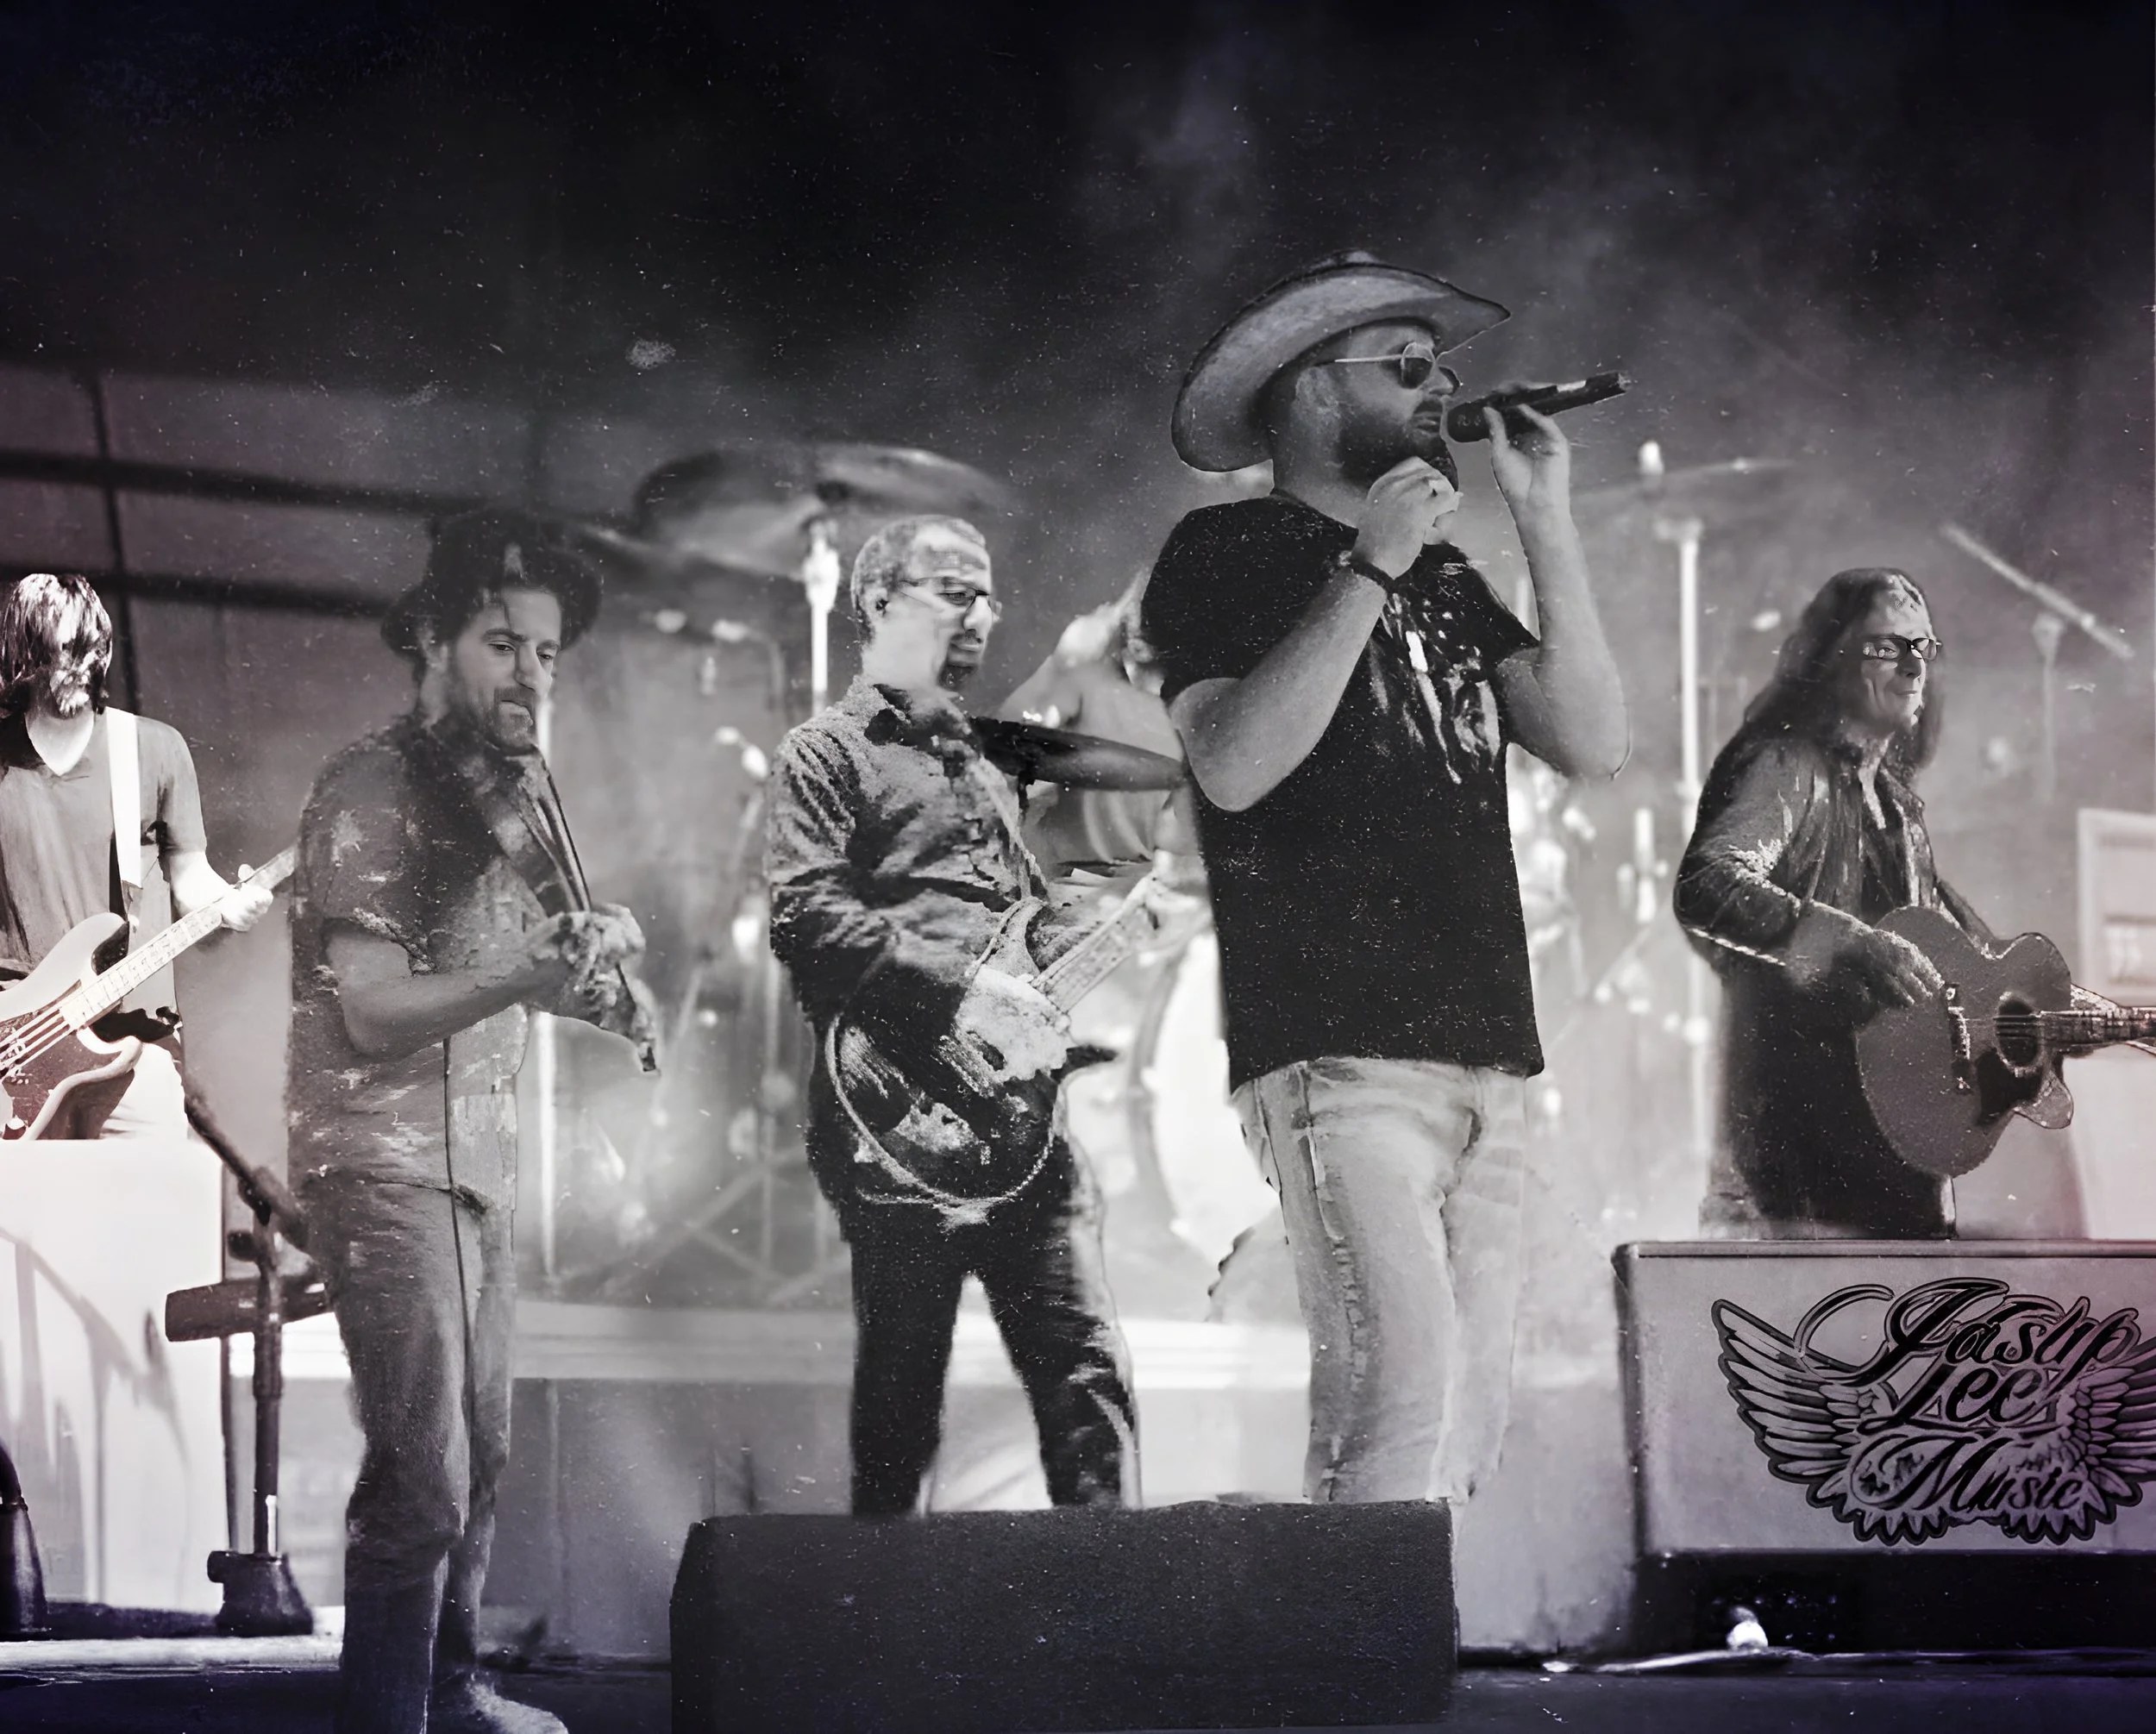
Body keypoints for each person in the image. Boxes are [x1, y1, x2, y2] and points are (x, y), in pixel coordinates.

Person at [1140, 252, 1627, 1507]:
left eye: (1441, 370)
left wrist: (1544, 518)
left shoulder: (1454, 577)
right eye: (1407, 368)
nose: (1439, 392)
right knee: (1394, 1401)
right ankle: (1352, 1689)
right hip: (1340, 1044)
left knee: (1461, 1427)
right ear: (1311, 391)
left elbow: (1593, 739)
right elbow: (1236, 765)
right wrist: (1365, 568)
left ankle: (1392, 1671)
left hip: (1486, 1048)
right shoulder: (1223, 549)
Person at [287, 510, 653, 1734]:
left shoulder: (516, 789)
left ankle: (451, 1687)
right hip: (382, 1158)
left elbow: (531, 966)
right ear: (435, 638)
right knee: (421, 1476)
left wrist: (604, 985)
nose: (531, 674)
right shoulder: (374, 785)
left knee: (480, 1457)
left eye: (548, 652)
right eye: (504, 642)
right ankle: (389, 1715)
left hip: (478, 1164)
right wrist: (524, 974)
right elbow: (380, 1011)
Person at [765, 514, 1137, 1517]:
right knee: (900, 1403)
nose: (983, 613)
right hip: (895, 1111)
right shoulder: (826, 751)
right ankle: (883, 1645)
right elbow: (804, 914)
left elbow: (1014, 928)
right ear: (878, 603)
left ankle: (1120, 1635)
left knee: (1086, 1378)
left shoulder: (987, 763)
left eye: (988, 594)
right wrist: (963, 990)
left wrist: (1080, 943)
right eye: (953, 591)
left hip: (1022, 1114)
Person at [1676, 567, 1982, 1238]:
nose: (1912, 666)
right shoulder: (1787, 767)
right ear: (1832, 658)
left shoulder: (1899, 811)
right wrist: (1847, 939)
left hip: (1899, 1174)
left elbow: (1973, 970)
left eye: (1923, 647)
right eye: (1887, 646)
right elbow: (1709, 881)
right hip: (1799, 1183)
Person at [0, 572, 274, 1136]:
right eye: (57, 652)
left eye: (86, 650)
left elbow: (190, 877)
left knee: (152, 1214)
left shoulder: (150, 749)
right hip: (13, 1050)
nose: (75, 667)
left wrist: (232, 902)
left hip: (136, 1041)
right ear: (23, 653)